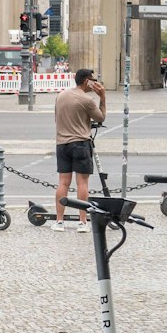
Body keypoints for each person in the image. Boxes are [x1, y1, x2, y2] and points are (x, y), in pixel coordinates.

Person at [53, 67, 107, 233]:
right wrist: (102, 97)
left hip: (62, 143)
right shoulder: (87, 100)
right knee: (82, 183)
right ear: (86, 81)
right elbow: (100, 117)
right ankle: (82, 222)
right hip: (81, 143)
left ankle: (59, 221)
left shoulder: (61, 95)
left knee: (63, 182)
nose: (94, 84)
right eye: (92, 80)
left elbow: (57, 118)